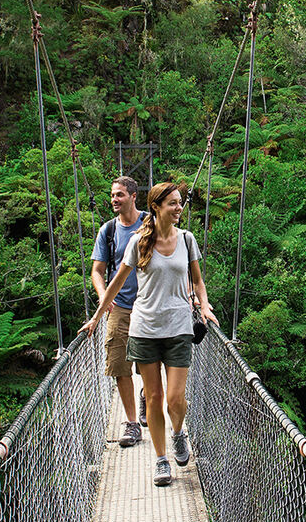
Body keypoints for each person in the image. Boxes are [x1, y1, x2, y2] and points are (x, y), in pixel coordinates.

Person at [80, 182, 218, 486]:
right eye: (172, 203)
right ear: (156, 207)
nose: (179, 208)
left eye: (180, 202)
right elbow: (115, 283)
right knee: (154, 399)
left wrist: (204, 306)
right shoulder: (139, 243)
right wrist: (96, 318)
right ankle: (160, 459)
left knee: (175, 399)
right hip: (144, 330)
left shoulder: (187, 239)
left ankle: (178, 433)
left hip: (179, 328)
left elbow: (198, 281)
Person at [90, 176, 147, 448]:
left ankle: (147, 393)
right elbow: (97, 271)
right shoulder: (108, 230)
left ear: (133, 196)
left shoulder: (150, 224)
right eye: (113, 195)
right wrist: (104, 297)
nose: (114, 199)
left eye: (120, 195)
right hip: (119, 307)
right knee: (118, 364)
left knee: (152, 362)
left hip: (150, 306)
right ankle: (132, 423)